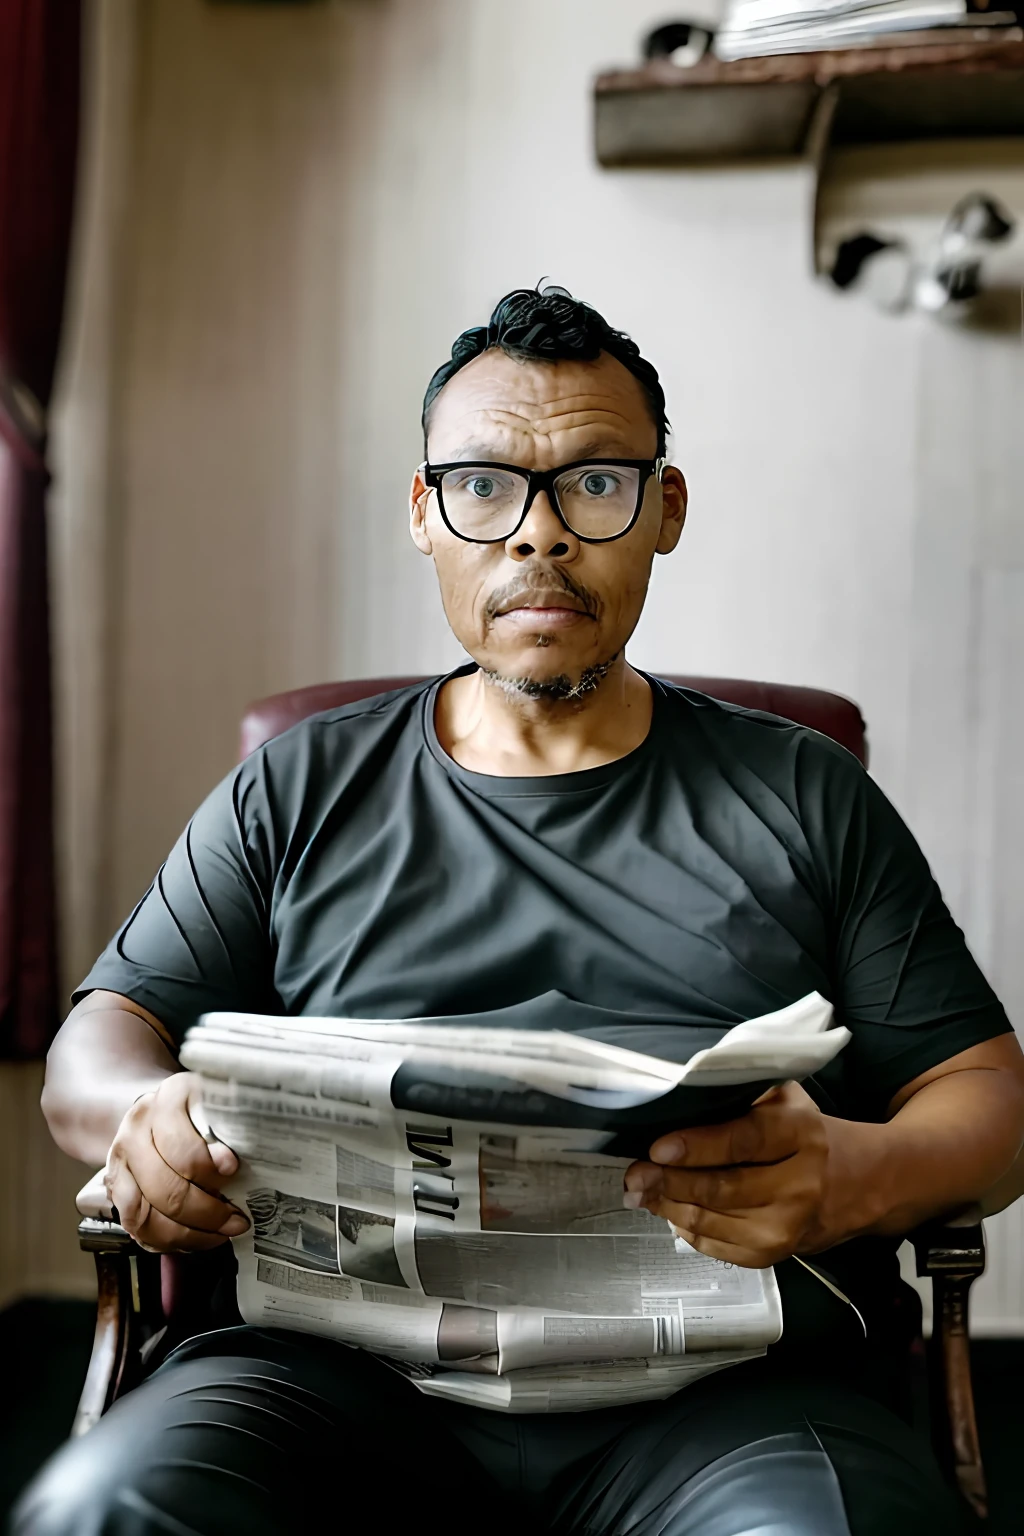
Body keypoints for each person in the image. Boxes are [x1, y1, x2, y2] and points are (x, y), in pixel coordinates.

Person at [16, 286, 1024, 1536]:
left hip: (728, 1402)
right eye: (484, 485)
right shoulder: (300, 784)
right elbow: (92, 1051)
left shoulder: (800, 793)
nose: (537, 536)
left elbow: (992, 1109)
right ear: (424, 514)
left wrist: (851, 1178)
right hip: (328, 1380)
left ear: (664, 511)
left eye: (593, 484)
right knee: (104, 1509)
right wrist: (145, 1118)